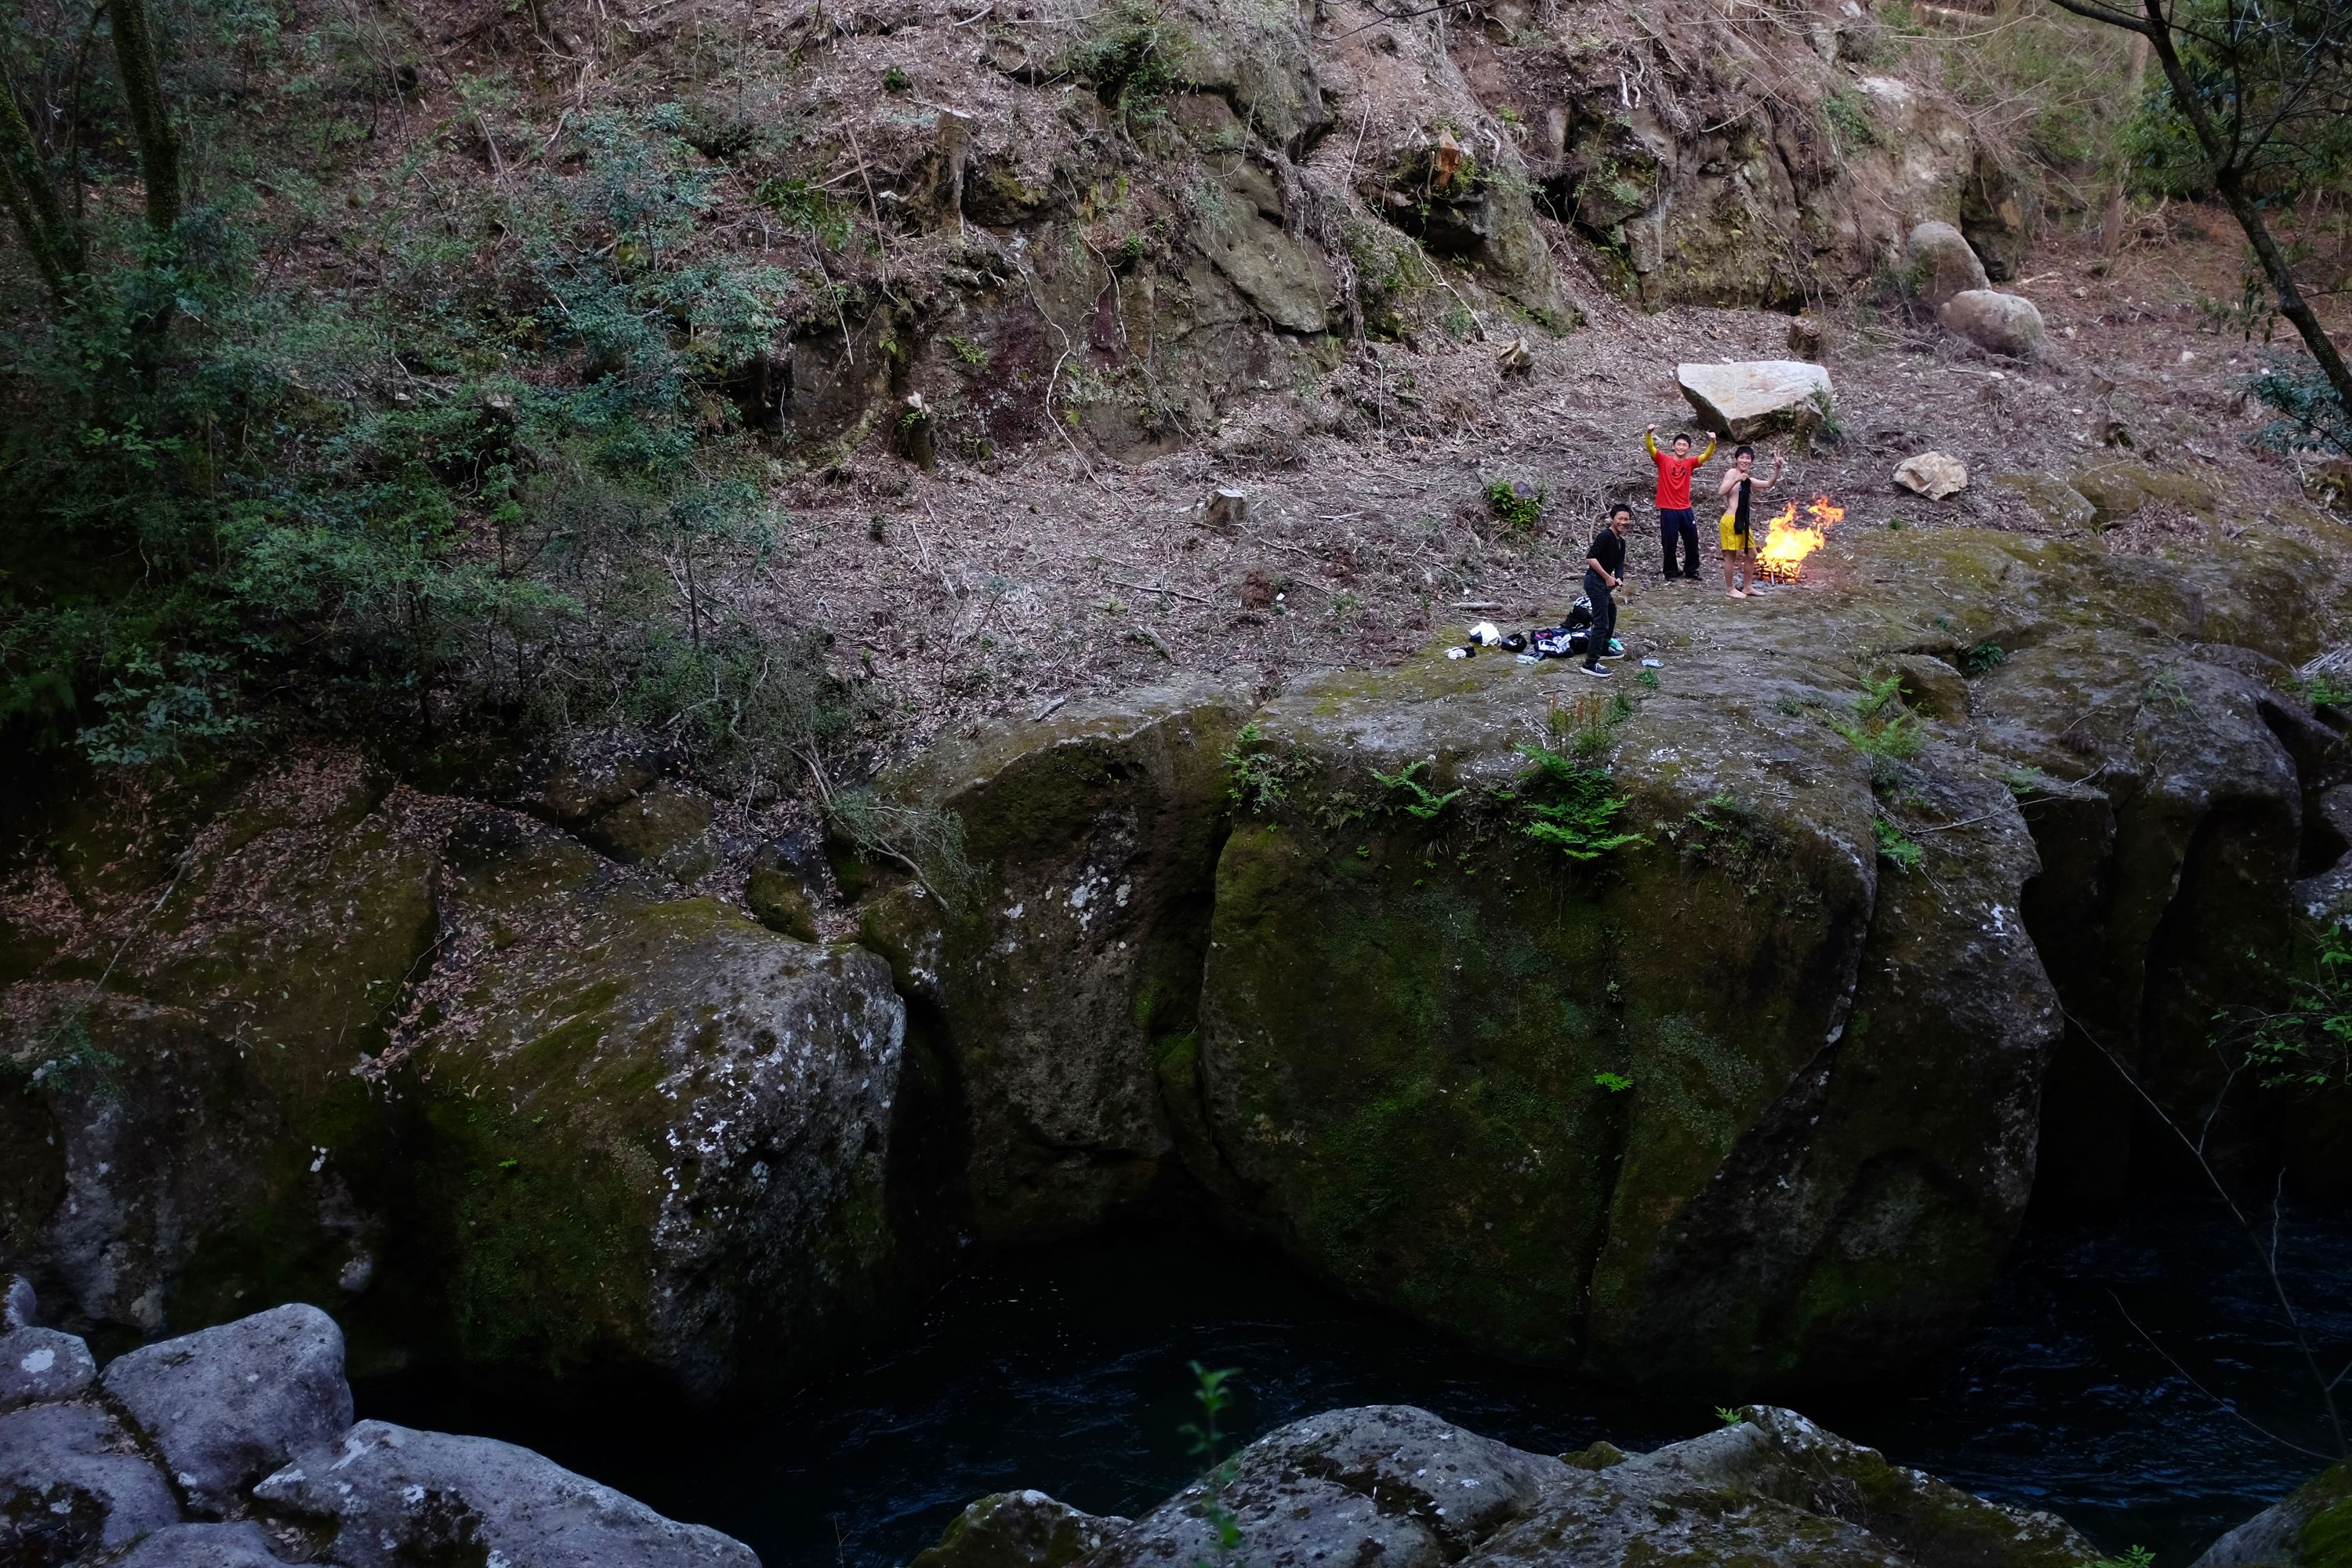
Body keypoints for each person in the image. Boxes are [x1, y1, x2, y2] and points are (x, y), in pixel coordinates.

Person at [1644, 424, 1716, 582]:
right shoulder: (1663, 460)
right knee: (1669, 542)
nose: (1681, 447)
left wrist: (1712, 443)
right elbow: (1651, 448)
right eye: (1679, 444)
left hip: (1685, 508)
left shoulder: (1690, 463)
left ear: (1688, 449)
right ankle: (1670, 572)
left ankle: (1692, 570)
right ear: (1673, 446)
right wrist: (1649, 433)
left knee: (1692, 540)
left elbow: (1705, 457)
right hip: (1668, 509)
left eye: (1685, 445)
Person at [1714, 444, 1784, 598]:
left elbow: (1768, 484)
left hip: (1743, 522)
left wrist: (1777, 468)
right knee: (1730, 556)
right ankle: (1730, 588)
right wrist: (1736, 479)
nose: (1745, 460)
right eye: (1742, 457)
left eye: (1748, 458)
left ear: (1751, 461)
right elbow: (1721, 492)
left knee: (1752, 554)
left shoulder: (1748, 480)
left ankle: (1747, 587)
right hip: (1730, 520)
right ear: (1736, 460)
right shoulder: (1732, 473)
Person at [1581, 504, 1632, 677]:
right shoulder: (1605, 536)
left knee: (1611, 612)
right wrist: (1607, 577)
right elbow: (1590, 558)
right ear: (1612, 519)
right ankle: (1590, 663)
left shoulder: (1621, 542)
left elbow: (1619, 563)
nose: (1623, 522)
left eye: (1626, 519)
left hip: (1604, 583)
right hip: (1595, 582)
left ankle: (1603, 648)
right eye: (1620, 518)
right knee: (1601, 622)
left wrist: (1619, 578)